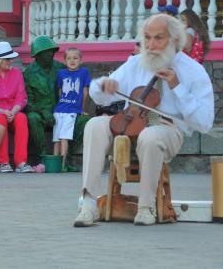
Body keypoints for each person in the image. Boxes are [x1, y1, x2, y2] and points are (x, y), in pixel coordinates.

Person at [73, 14, 214, 227]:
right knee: (94, 125)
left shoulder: (193, 71)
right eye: (147, 38)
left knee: (150, 135)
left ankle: (145, 207)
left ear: (175, 39)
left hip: (167, 129)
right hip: (129, 122)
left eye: (158, 38)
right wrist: (103, 86)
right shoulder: (136, 63)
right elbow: (99, 93)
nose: (150, 45)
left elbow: (204, 122)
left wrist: (177, 86)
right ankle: (89, 203)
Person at [23, 35, 89, 172]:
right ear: (38, 55)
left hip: (63, 110)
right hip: (40, 113)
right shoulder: (28, 73)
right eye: (47, 52)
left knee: (83, 120)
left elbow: (76, 91)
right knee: (32, 118)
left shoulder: (61, 68)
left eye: (52, 51)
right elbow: (27, 101)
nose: (50, 54)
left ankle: (66, 159)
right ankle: (43, 158)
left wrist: (78, 108)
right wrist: (43, 111)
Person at [0, 41, 34, 173]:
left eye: (11, 58)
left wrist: (13, 111)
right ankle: (3, 162)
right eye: (7, 59)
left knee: (21, 118)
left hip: (13, 110)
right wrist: (3, 111)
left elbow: (21, 97)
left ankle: (21, 162)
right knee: (0, 119)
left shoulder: (17, 73)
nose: (11, 61)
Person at [53, 48, 91, 172]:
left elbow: (85, 93)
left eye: (75, 58)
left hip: (72, 111)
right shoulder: (61, 73)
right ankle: (55, 163)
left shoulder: (84, 72)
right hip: (59, 110)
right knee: (56, 138)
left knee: (64, 137)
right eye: (69, 58)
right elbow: (60, 92)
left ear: (81, 60)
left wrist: (82, 109)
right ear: (64, 61)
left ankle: (62, 164)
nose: (72, 60)